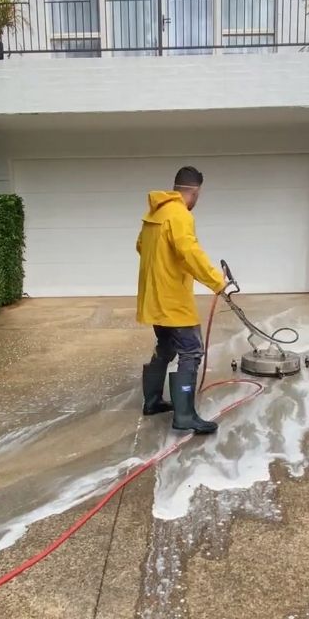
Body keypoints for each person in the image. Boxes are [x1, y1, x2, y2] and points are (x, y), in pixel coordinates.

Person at [136, 166, 226, 435]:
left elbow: (140, 245)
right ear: (195, 191)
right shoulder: (180, 215)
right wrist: (218, 282)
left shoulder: (155, 213)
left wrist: (163, 264)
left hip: (154, 297)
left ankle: (152, 401)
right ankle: (185, 416)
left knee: (165, 346)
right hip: (173, 300)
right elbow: (190, 253)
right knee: (191, 351)